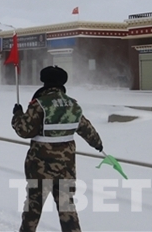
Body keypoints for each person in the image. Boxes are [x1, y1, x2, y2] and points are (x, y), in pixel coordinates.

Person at [11, 66, 103, 232]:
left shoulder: (40, 104)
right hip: (66, 167)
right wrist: (97, 144)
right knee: (67, 206)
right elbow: (86, 129)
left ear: (45, 81)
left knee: (34, 206)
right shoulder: (73, 105)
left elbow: (24, 131)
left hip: (40, 166)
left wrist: (18, 115)